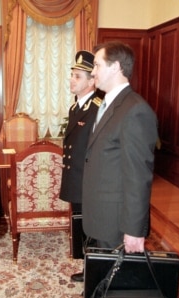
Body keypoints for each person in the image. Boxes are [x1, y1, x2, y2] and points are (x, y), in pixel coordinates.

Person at [82, 41, 158, 253]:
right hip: (102, 213)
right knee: (102, 271)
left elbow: (138, 177)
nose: (93, 71)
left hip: (116, 221)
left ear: (115, 67)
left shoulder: (135, 110)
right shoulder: (108, 103)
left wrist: (134, 230)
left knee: (116, 281)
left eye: (97, 65)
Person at [59, 50, 103, 282]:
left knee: (91, 227)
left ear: (92, 80)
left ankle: (94, 271)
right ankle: (88, 267)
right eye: (72, 75)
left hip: (88, 181)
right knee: (82, 224)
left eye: (77, 76)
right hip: (77, 179)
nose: (72, 80)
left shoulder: (98, 108)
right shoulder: (76, 107)